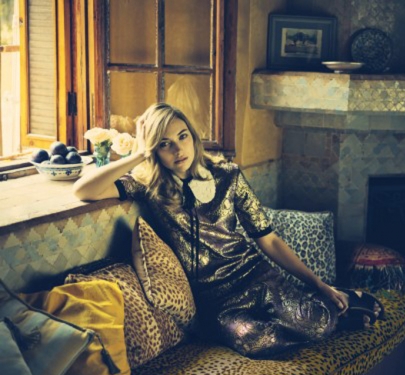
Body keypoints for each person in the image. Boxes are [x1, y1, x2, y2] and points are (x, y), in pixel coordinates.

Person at [73, 103, 383, 358]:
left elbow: (269, 240)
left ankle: (330, 301)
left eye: (182, 137)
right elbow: (84, 191)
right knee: (257, 341)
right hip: (217, 301)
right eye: (165, 144)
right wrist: (139, 154)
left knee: (317, 325)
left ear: (193, 136)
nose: (178, 149)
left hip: (256, 276)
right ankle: (318, 310)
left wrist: (319, 283)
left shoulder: (227, 176)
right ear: (155, 150)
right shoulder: (149, 185)